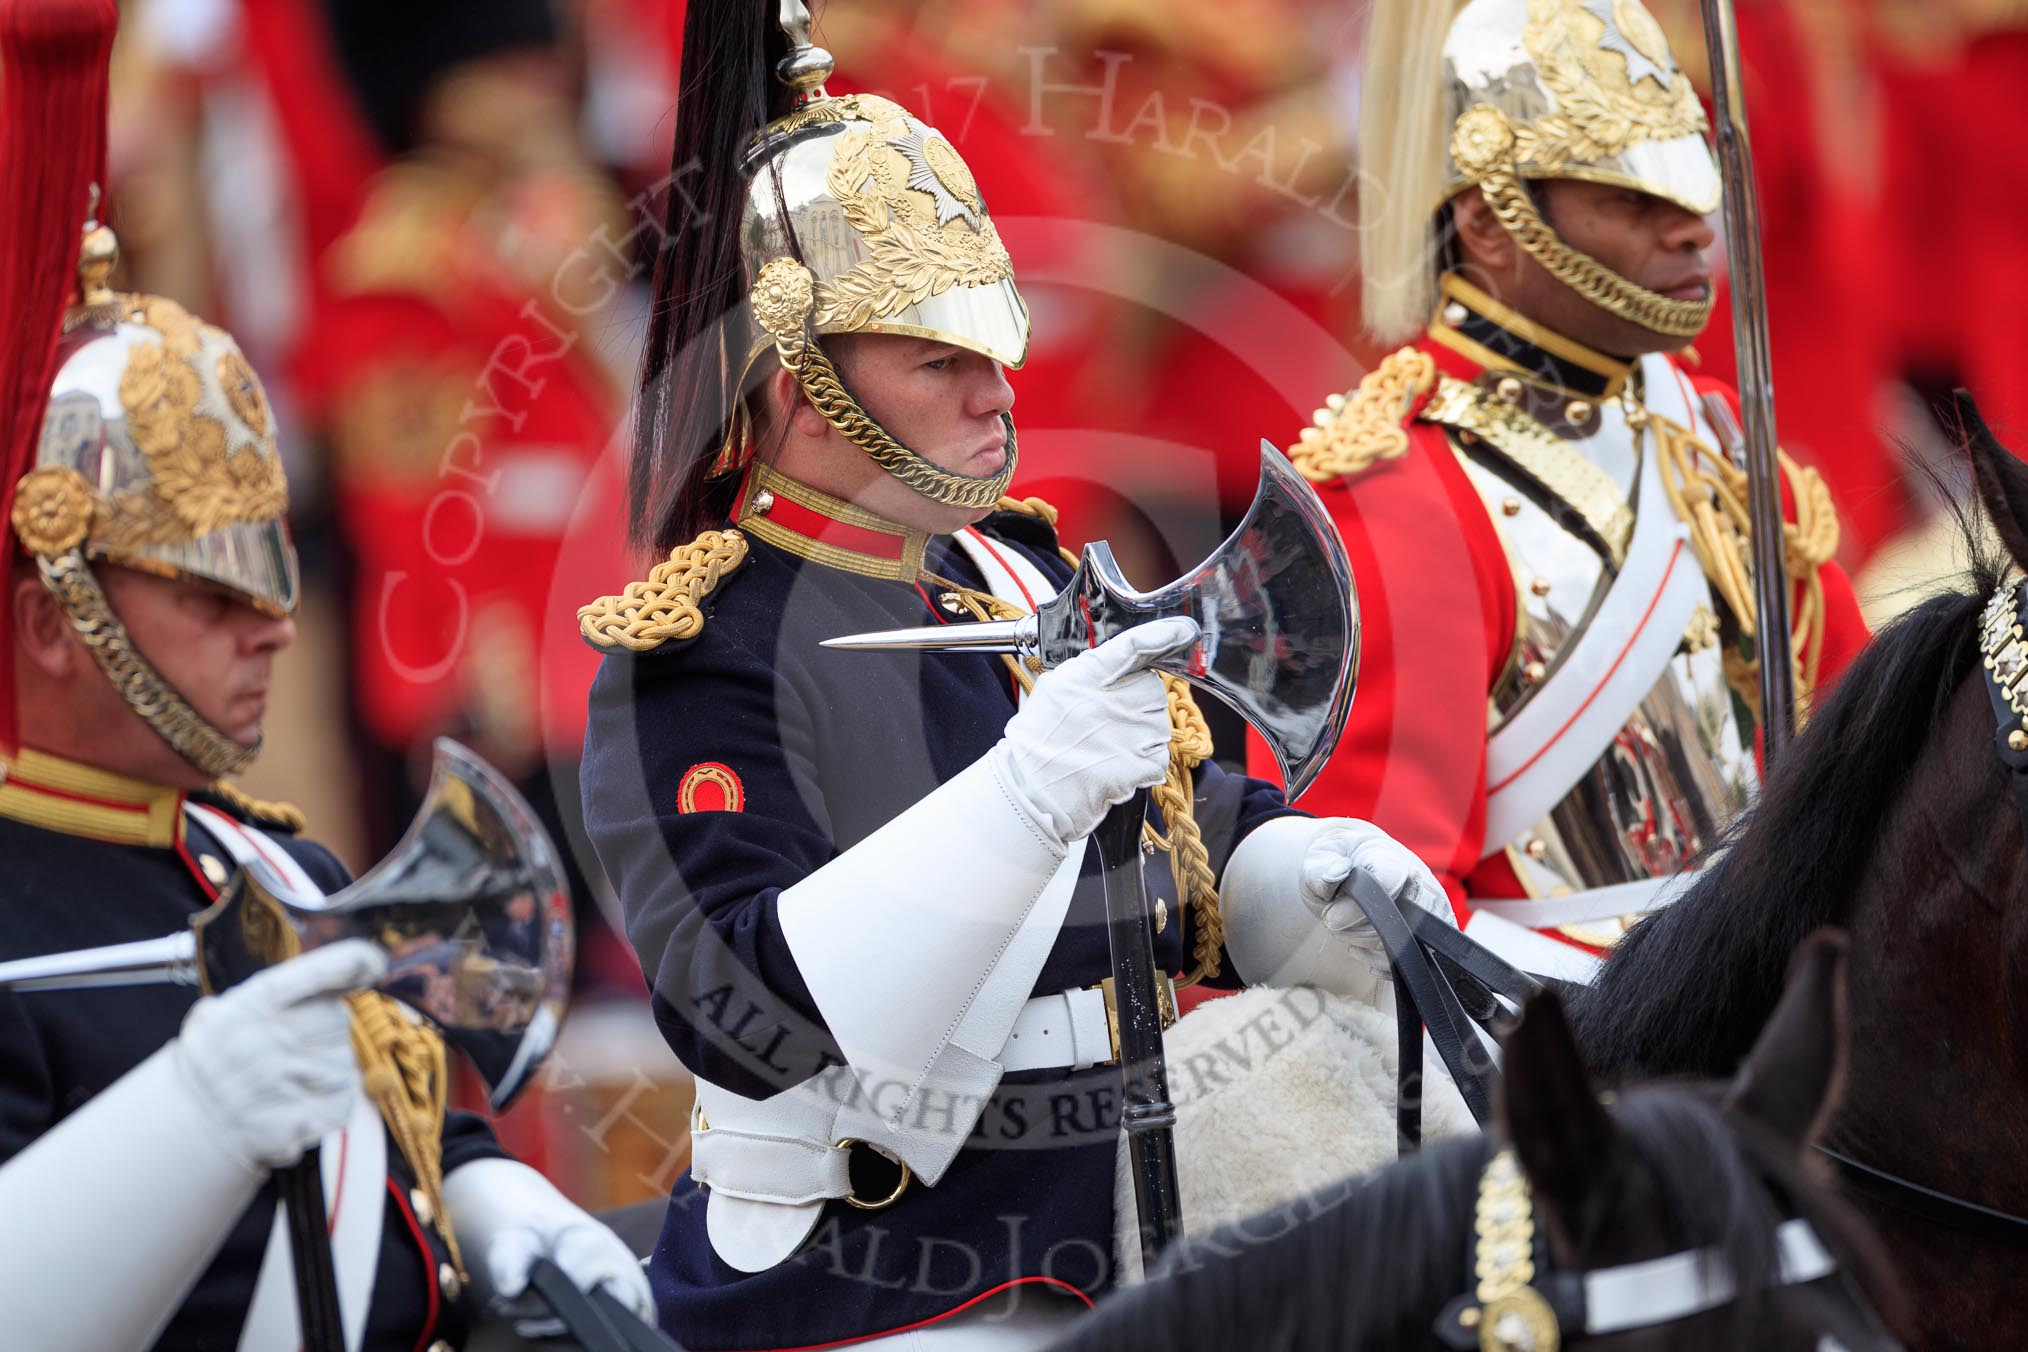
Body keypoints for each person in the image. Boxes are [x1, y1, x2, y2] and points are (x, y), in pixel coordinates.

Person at [576, 3, 1453, 1348]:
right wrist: (1025, 793)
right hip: (861, 1271)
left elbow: (1192, 844)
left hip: (1111, 1232)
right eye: (942, 362)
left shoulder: (1028, 573)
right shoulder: (702, 646)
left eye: (994, 354)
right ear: (805, 389)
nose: (999, 396)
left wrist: (1312, 879)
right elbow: (747, 1011)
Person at [0, 2, 651, 1345]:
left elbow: (405, 1123)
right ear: (55, 615)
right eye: (203, 588)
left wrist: (484, 1194)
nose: (273, 628)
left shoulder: (276, 866)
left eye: (263, 579)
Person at [1262, 0, 1871, 981]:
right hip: (1545, 1044)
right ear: (1491, 225)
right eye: (1632, 202)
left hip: (1763, 1001)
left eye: (1686, 192)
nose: (1690, 235)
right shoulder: (1397, 487)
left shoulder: (1708, 429)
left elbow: (1861, 746)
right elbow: (1373, 914)